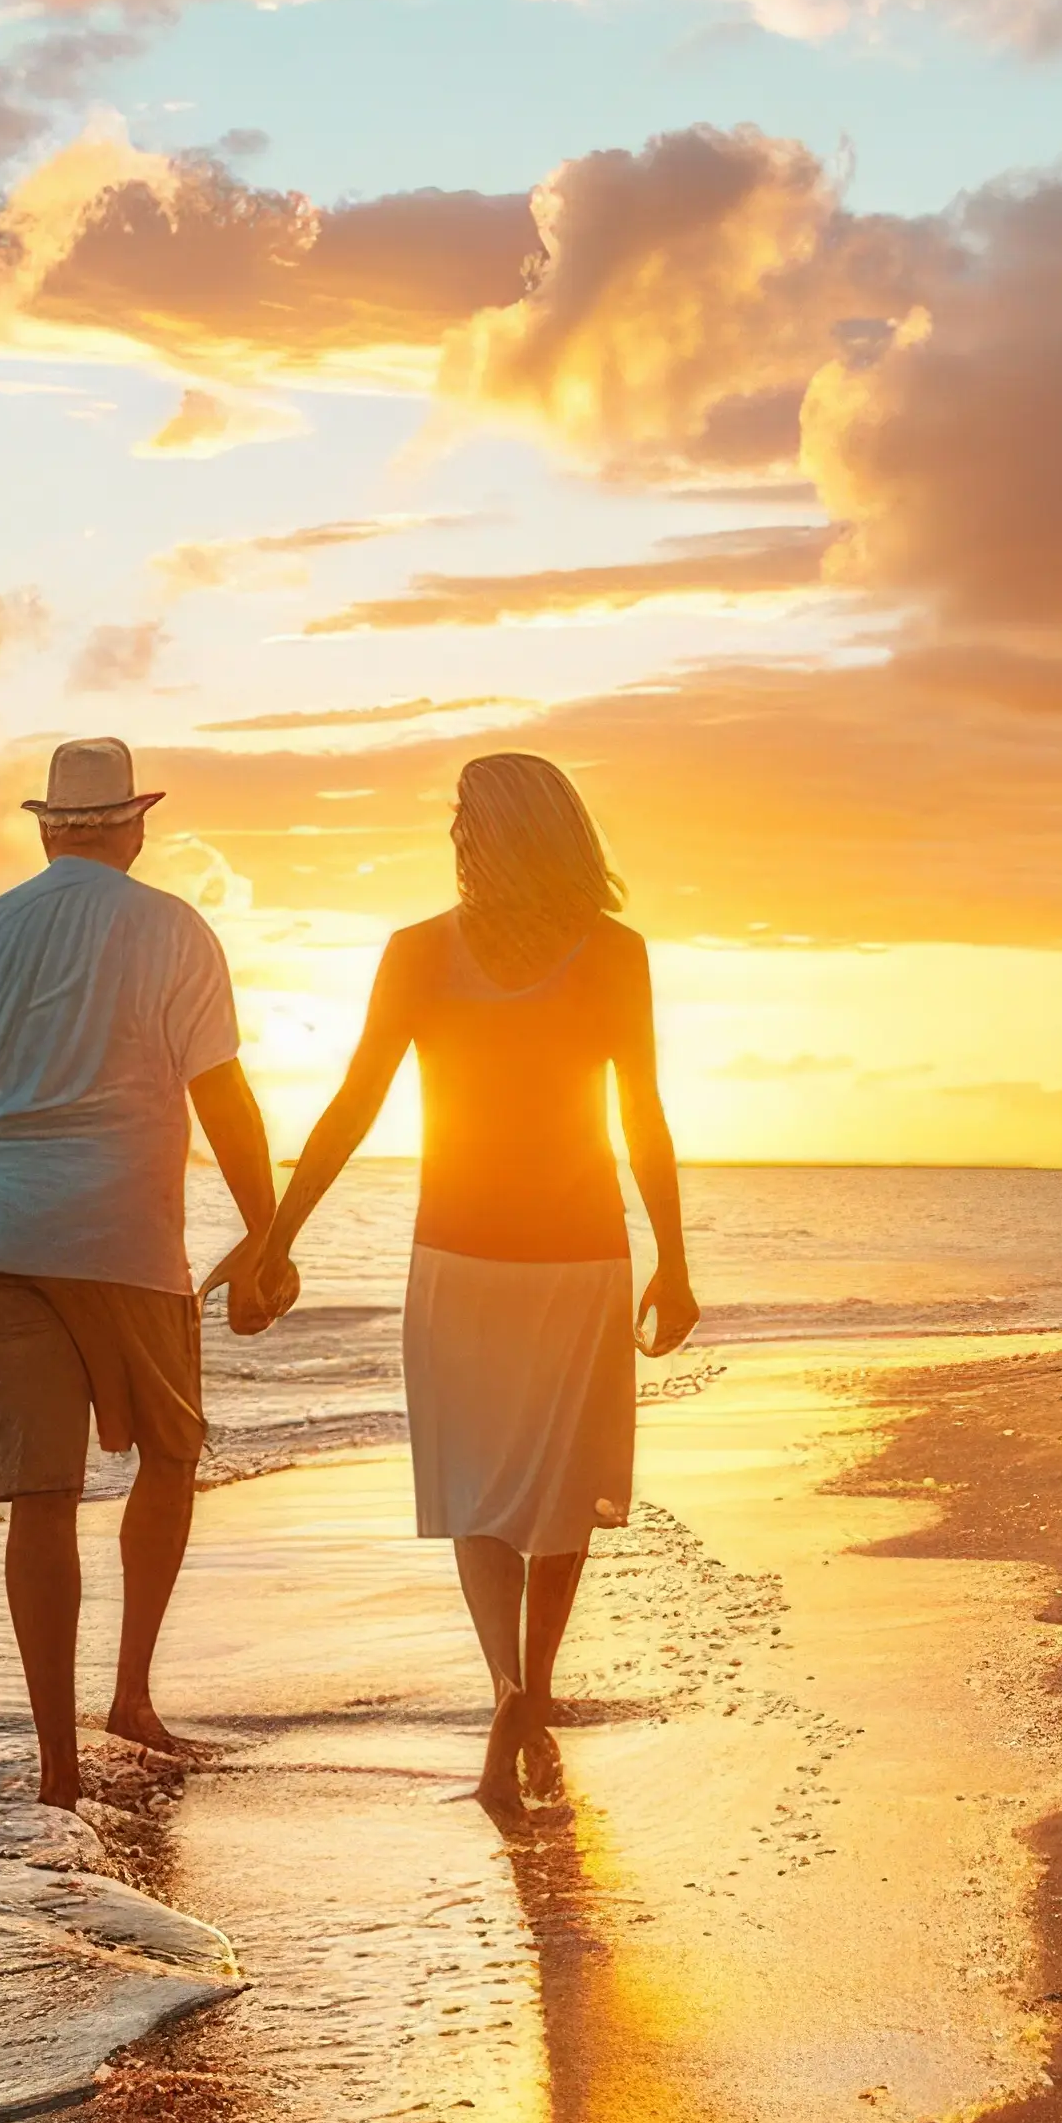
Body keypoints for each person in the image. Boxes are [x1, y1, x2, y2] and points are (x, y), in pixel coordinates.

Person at [216, 752, 693, 1815]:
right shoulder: (613, 953)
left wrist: (276, 1238)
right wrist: (674, 1260)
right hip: (581, 1257)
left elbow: (352, 1106)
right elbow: (643, 1117)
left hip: (458, 1261)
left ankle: (507, 1688)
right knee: (564, 1489)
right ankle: (538, 1685)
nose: (451, 833)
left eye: (460, 818)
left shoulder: (416, 953)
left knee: (479, 1491)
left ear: (483, 833)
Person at [0, 735, 285, 1807]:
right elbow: (223, 1096)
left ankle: (59, 1763)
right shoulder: (173, 929)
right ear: (134, 825)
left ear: (47, 827)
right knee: (168, 1452)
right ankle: (133, 1699)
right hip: (123, 1237)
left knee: (42, 1496)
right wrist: (270, 1230)